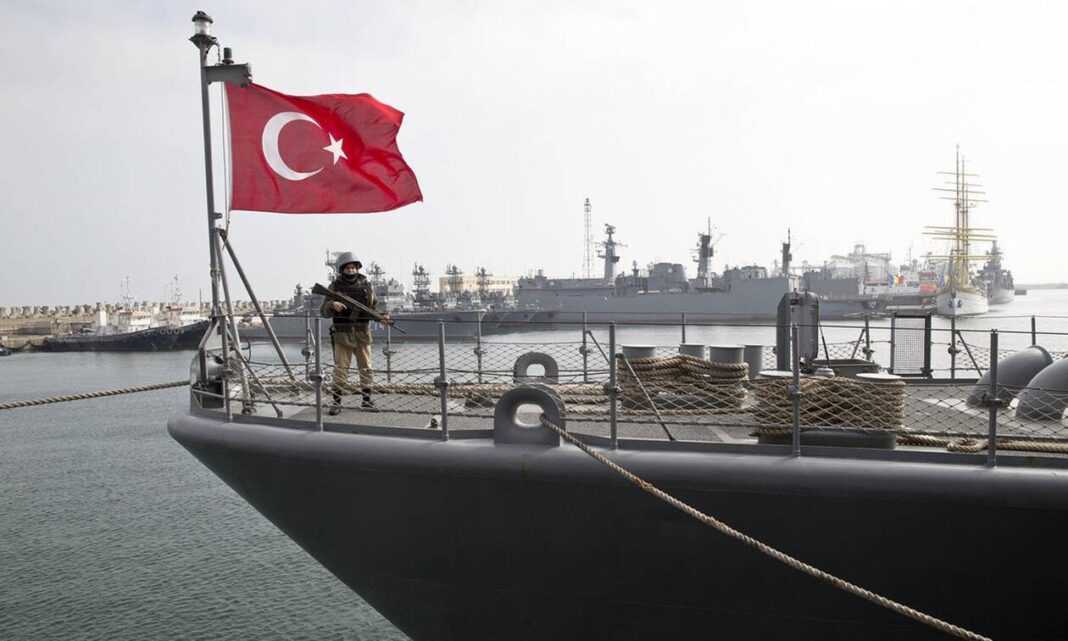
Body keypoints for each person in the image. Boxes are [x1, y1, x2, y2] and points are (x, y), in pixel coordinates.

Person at [320, 252, 385, 414]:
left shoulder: (367, 286)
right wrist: (332, 304)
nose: (351, 270)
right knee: (341, 369)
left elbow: (373, 307)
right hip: (343, 334)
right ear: (342, 269)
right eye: (347, 268)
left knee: (366, 368)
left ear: (357, 268)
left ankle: (367, 401)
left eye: (353, 267)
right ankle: (336, 402)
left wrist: (382, 317)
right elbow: (324, 311)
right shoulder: (334, 287)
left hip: (362, 334)